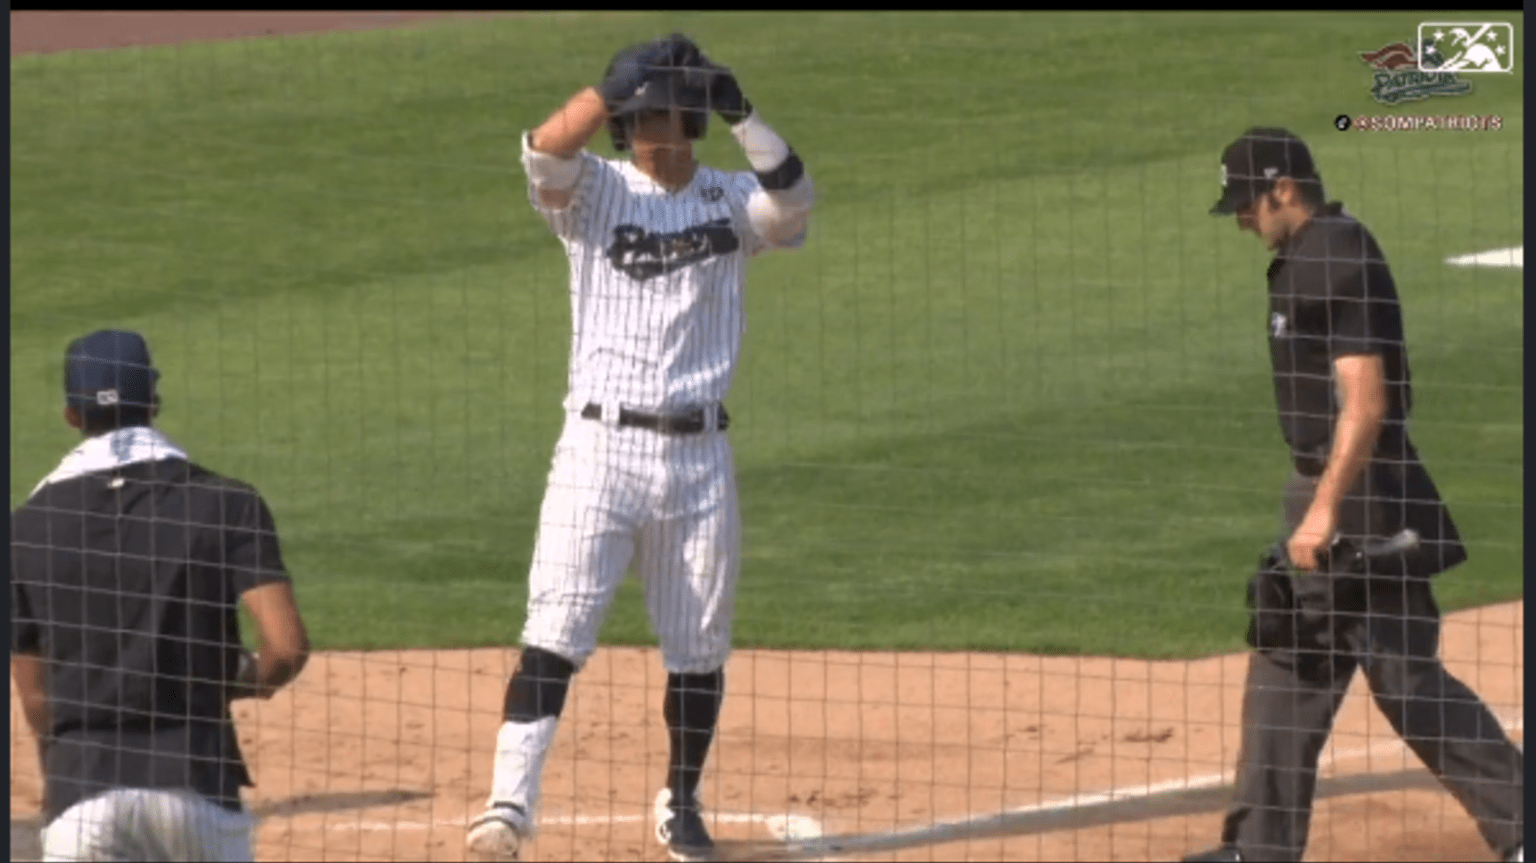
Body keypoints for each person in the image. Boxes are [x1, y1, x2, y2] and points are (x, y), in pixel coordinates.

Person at [465, 32, 815, 863]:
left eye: (678, 113)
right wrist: (607, 87)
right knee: (554, 630)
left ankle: (681, 800)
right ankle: (507, 807)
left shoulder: (734, 200)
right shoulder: (592, 194)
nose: (667, 129)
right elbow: (544, 154)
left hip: (699, 459)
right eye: (649, 114)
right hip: (597, 450)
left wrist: (742, 111)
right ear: (626, 125)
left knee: (698, 645)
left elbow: (796, 200)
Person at [1182, 129, 1523, 863]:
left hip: (1363, 492)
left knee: (1404, 680)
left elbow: (1366, 401)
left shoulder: (1337, 254)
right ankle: (1261, 847)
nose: (1241, 217)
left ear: (1284, 188)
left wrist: (1327, 508)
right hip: (1324, 480)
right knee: (1288, 655)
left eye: (1247, 202)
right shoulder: (1301, 256)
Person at [11, 329, 311, 862]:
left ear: (71, 416)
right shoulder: (227, 503)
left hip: (82, 797)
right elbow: (286, 649)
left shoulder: (26, 528)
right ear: (153, 401)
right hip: (198, 787)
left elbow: (38, 706)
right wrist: (232, 680)